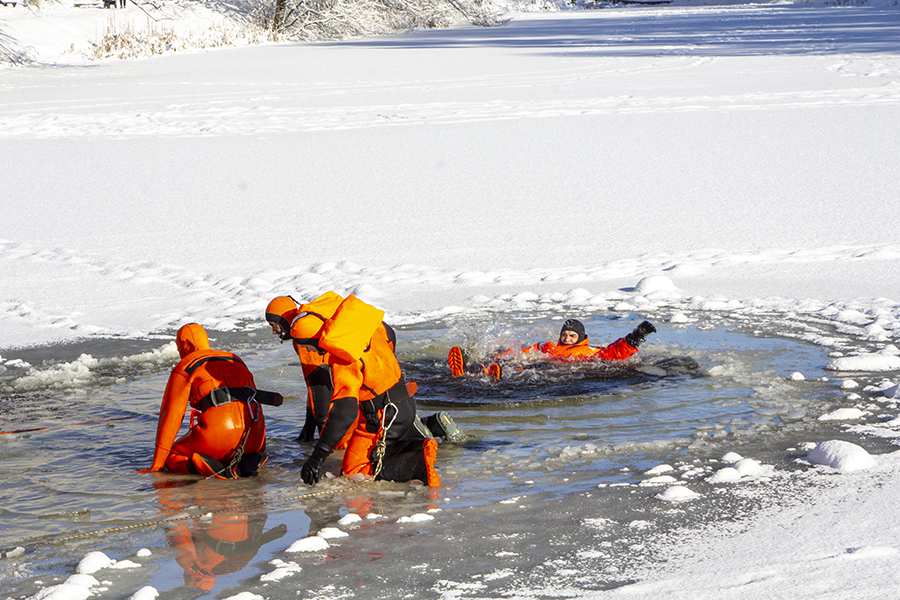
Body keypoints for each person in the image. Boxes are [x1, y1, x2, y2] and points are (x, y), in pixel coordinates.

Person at [265, 292, 441, 487]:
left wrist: (317, 457)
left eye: (311, 347)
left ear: (318, 340)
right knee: (355, 459)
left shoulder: (344, 360)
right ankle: (419, 442)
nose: (314, 353)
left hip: (385, 416)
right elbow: (391, 335)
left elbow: (344, 413)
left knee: (354, 472)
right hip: (399, 404)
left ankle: (418, 463)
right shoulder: (363, 334)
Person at [141, 323, 281, 479]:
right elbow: (255, 406)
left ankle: (205, 467)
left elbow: (170, 418)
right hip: (253, 438)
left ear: (186, 345)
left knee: (173, 456)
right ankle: (248, 459)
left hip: (217, 437)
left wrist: (157, 466)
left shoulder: (186, 366)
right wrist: (259, 447)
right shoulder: (236, 360)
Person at [448, 319, 657, 378]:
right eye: (564, 335)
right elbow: (522, 352)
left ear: (581, 338)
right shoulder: (547, 346)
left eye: (571, 336)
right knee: (519, 362)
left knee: (532, 371)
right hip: (542, 363)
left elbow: (613, 352)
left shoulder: (588, 351)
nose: (566, 338)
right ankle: (475, 365)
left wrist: (635, 337)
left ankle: (488, 374)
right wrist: (500, 356)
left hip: (560, 371)